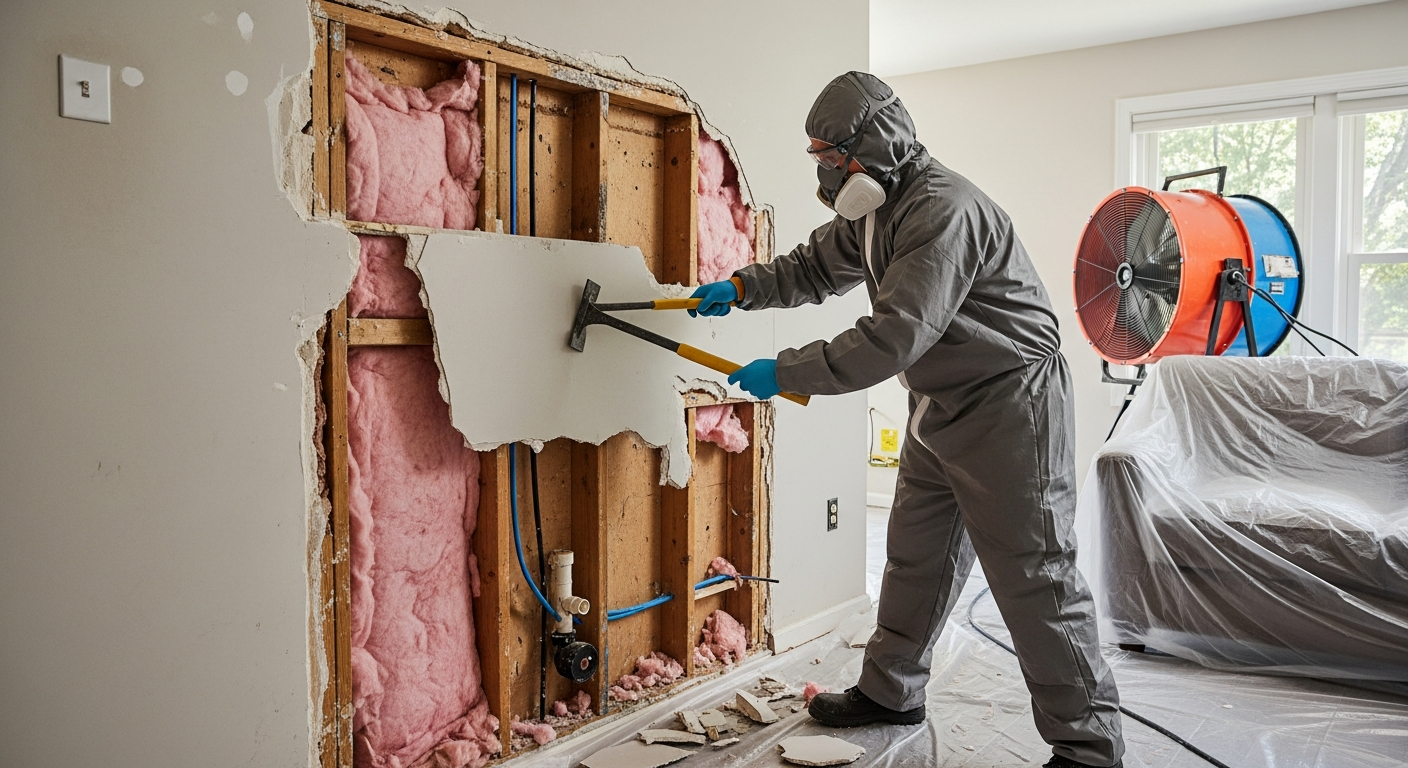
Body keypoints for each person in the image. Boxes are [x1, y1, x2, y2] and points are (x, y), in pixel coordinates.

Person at [687, 72, 1125, 768]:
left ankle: (1090, 747)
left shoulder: (942, 210)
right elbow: (813, 267)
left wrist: (785, 373)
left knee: (1036, 574)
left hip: (1011, 405)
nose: (827, 173)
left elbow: (893, 337)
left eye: (834, 156)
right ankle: (891, 692)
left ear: (876, 144)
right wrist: (743, 288)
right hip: (942, 401)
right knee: (917, 554)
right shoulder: (875, 207)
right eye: (819, 159)